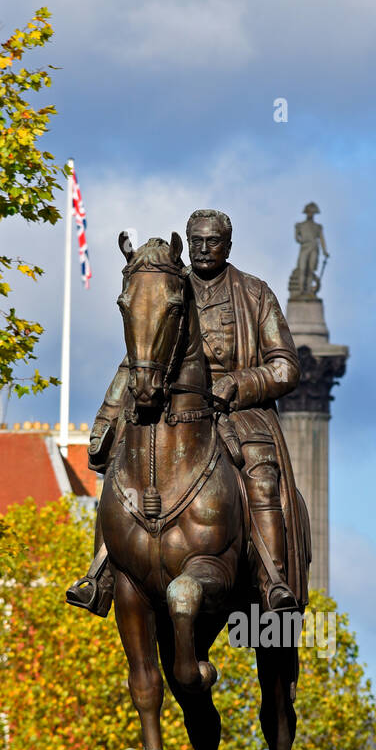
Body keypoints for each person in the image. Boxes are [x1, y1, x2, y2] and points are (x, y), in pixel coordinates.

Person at [69, 209, 309, 618]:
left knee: (262, 475)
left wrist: (238, 383)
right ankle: (102, 575)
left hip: (237, 412)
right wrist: (107, 418)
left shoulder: (255, 293)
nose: (201, 249)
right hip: (171, 407)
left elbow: (286, 367)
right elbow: (136, 357)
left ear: (228, 246)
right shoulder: (169, 288)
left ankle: (273, 581)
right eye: (194, 240)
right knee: (121, 467)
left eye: (211, 241)